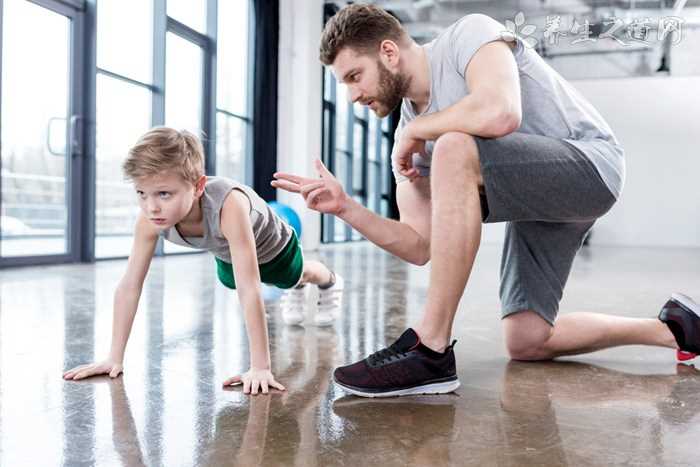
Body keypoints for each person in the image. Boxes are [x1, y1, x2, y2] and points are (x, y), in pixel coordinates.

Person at [272, 4, 700, 397]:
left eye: (353, 76)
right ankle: (677, 329)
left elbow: (500, 112)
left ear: (388, 52)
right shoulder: (410, 126)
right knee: (527, 340)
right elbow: (421, 245)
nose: (352, 96)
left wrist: (421, 133)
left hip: (590, 165)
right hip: (537, 201)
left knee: (454, 145)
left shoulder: (468, 35)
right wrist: (347, 208)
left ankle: (431, 348)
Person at [63, 127, 344, 395]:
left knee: (294, 276)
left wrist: (260, 367)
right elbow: (130, 285)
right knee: (229, 279)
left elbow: (251, 287)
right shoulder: (149, 220)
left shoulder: (229, 205)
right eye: (141, 193)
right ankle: (297, 285)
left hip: (275, 249)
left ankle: (328, 280)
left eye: (164, 194)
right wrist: (114, 357)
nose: (151, 206)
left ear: (198, 186)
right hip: (228, 253)